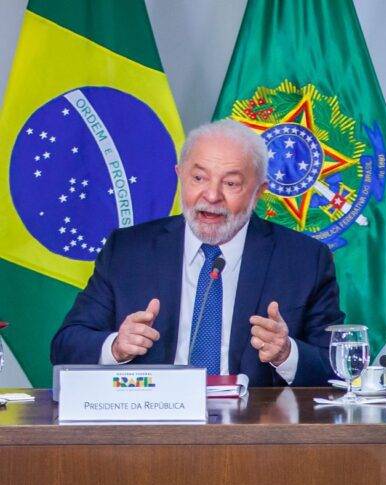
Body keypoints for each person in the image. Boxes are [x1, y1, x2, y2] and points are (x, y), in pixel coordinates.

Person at [51, 119, 344, 386]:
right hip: (153, 425)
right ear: (180, 176)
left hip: (256, 431)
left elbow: (336, 368)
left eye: (231, 183)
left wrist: (286, 353)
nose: (212, 195)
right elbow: (66, 345)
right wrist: (116, 346)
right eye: (199, 178)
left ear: (259, 192)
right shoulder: (127, 251)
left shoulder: (305, 260)